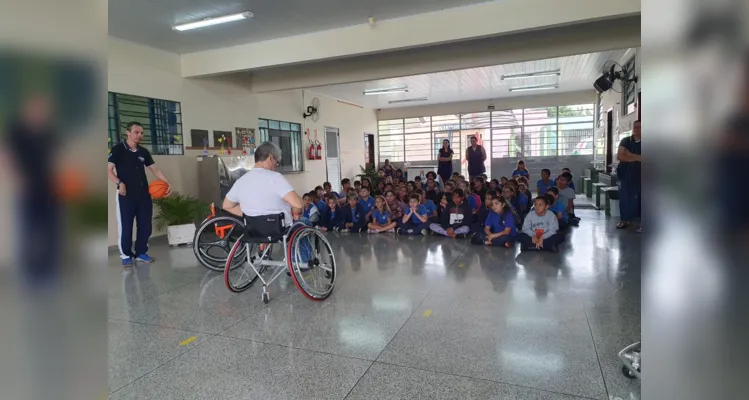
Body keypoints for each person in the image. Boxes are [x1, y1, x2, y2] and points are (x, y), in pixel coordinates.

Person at [108, 121, 172, 265]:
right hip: (126, 195)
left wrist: (167, 184)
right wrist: (120, 183)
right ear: (128, 132)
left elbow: (155, 170)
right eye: (136, 132)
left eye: (141, 133)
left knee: (145, 225)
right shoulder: (118, 149)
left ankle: (141, 252)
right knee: (126, 226)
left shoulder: (143, 152)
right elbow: (108, 170)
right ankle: (126, 256)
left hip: (143, 194)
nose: (139, 135)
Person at [616, 120, 642, 230]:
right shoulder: (625, 141)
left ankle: (639, 221)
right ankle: (624, 220)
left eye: (639, 127)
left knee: (640, 199)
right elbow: (620, 156)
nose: (636, 129)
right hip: (625, 175)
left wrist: (630, 155)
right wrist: (637, 157)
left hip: (641, 175)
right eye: (635, 127)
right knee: (625, 198)